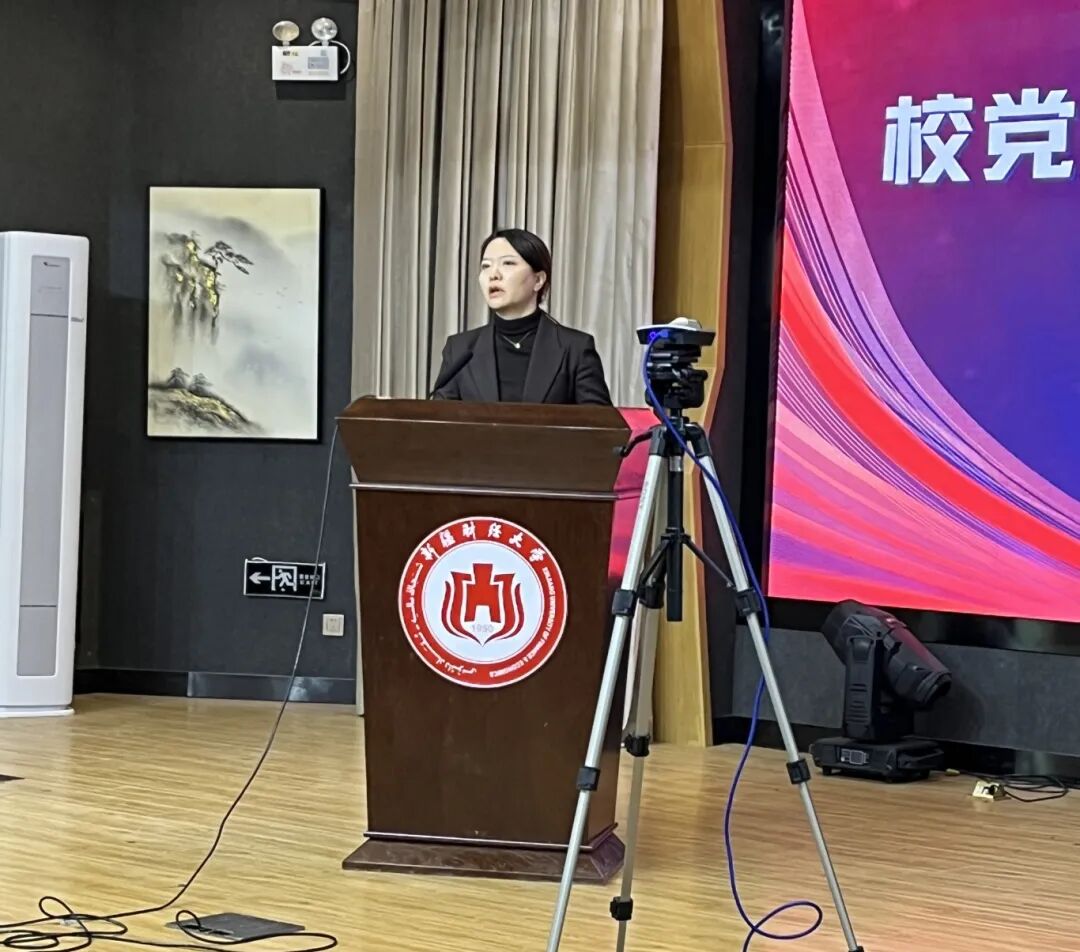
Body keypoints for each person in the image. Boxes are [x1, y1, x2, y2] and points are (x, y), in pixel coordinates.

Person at [431, 228, 612, 405]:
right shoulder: (460, 350)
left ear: (538, 280)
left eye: (508, 263)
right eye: (486, 266)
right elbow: (437, 419)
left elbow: (598, 422)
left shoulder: (575, 348)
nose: (493, 274)